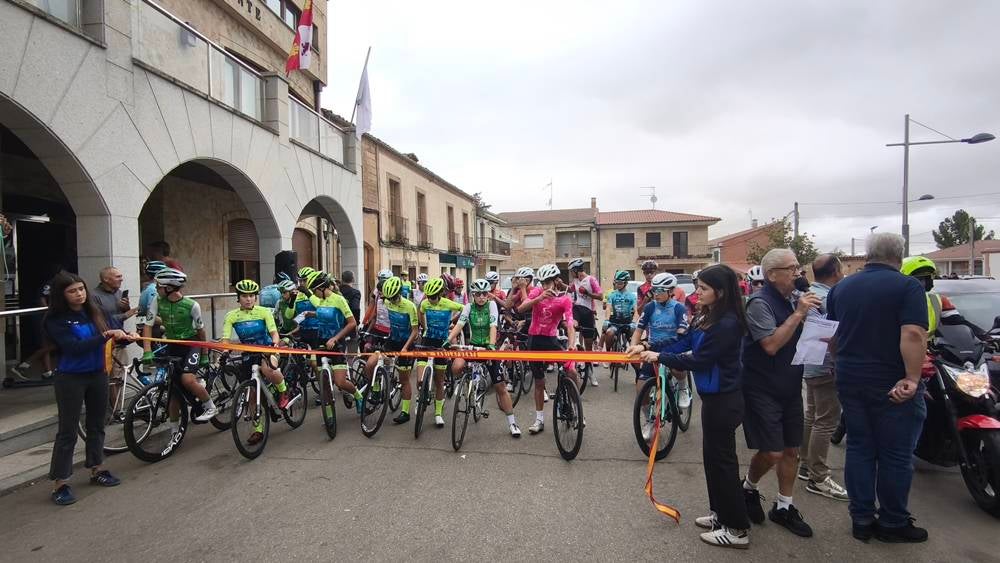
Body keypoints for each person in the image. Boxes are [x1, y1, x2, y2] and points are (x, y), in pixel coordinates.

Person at [631, 265, 750, 548]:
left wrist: (659, 355)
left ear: (720, 292)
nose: (698, 292)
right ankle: (720, 514)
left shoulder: (728, 323)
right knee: (712, 460)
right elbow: (683, 340)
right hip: (712, 398)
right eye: (699, 287)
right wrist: (646, 345)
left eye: (704, 289)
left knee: (723, 463)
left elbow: (699, 360)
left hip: (725, 399)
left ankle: (737, 529)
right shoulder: (707, 316)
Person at [826, 233, 929, 543]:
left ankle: (861, 519)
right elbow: (912, 333)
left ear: (868, 255)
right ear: (900, 256)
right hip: (891, 381)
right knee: (895, 454)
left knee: (859, 447)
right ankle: (893, 522)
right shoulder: (908, 286)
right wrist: (911, 378)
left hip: (850, 378)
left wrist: (840, 363)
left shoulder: (841, 288)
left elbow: (832, 336)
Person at [741, 248, 821, 538]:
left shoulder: (794, 300)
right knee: (772, 451)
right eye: (792, 268)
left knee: (791, 449)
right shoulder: (759, 304)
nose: (798, 273)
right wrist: (799, 314)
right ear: (772, 274)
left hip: (789, 384)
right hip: (762, 386)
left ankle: (784, 506)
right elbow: (771, 345)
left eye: (799, 267)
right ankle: (748, 487)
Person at [45, 271, 135, 505]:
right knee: (68, 431)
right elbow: (74, 348)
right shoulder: (55, 320)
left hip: (98, 374)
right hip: (70, 377)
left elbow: (115, 335)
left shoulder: (94, 312)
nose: (79, 294)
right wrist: (106, 335)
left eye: (81, 289)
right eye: (72, 291)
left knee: (97, 424)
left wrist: (127, 337)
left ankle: (97, 468)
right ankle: (60, 482)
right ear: (61, 295)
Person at [141, 268, 217, 448]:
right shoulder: (157, 301)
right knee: (173, 391)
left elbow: (201, 331)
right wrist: (146, 351)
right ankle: (174, 430)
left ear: (169, 287)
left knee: (187, 379)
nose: (156, 288)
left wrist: (205, 354)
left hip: (192, 345)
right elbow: (148, 326)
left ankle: (210, 405)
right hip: (172, 345)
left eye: (159, 285)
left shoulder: (192, 305)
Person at [799, 254, 849, 501]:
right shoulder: (832, 297)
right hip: (826, 365)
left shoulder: (809, 294)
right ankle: (818, 476)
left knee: (813, 414)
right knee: (826, 420)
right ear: (836, 270)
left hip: (810, 362)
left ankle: (805, 464)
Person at [446, 279, 522, 437]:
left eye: (485, 294)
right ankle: (464, 384)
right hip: (473, 346)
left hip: (488, 347)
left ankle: (512, 422)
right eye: (478, 294)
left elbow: (493, 325)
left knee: (500, 386)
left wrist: (492, 345)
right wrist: (448, 339)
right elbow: (460, 324)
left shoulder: (492, 305)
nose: (482, 297)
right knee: (456, 366)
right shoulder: (468, 307)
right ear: (473, 295)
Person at [223, 279, 292, 444]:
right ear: (238, 298)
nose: (248, 299)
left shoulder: (264, 312)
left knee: (268, 370)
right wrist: (225, 351)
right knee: (252, 394)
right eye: (244, 296)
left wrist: (275, 343)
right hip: (249, 353)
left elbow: (274, 332)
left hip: (267, 349)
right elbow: (225, 338)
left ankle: (284, 391)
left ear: (256, 297)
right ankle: (258, 429)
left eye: (252, 296)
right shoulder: (231, 316)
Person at [518, 264, 579, 434]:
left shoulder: (564, 299)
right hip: (534, 340)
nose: (545, 286)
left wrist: (572, 344)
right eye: (542, 282)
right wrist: (539, 298)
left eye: (548, 282)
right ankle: (539, 420)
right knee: (539, 382)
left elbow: (569, 324)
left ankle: (577, 409)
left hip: (551, 340)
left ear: (555, 281)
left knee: (571, 372)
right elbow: (521, 308)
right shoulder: (537, 292)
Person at [628, 272, 690, 437]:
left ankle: (683, 387)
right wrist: (633, 348)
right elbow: (638, 330)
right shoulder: (650, 307)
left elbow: (682, 334)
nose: (656, 293)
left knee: (677, 368)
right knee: (641, 388)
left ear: (671, 291)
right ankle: (649, 420)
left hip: (673, 346)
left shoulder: (679, 308)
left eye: (661, 290)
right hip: (652, 349)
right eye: (654, 290)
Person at [304, 271, 363, 413]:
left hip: (337, 342)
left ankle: (358, 395)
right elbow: (323, 314)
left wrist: (335, 338)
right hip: (321, 341)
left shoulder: (339, 300)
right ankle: (329, 414)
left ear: (321, 288)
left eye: (314, 290)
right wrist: (311, 314)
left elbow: (352, 323)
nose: (313, 293)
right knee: (324, 383)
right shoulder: (321, 301)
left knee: (340, 382)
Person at [367, 277, 418, 425]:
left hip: (406, 343)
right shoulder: (386, 300)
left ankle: (405, 412)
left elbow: (415, 331)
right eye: (389, 298)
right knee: (371, 364)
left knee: (404, 379)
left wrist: (405, 348)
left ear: (399, 293)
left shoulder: (410, 306)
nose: (392, 300)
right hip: (392, 340)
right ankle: (376, 390)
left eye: (394, 297)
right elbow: (376, 294)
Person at [417, 277, 465, 427]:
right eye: (428, 296)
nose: (430, 299)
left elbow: (464, 309)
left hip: (442, 342)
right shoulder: (424, 303)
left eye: (433, 297)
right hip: (427, 340)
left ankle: (438, 413)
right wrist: (424, 328)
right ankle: (421, 397)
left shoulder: (447, 303)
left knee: (439, 381)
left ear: (440, 294)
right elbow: (420, 313)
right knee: (420, 379)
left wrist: (453, 323)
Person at [91, 267, 139, 399]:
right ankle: (114, 411)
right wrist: (126, 314)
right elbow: (100, 322)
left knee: (119, 377)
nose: (121, 279)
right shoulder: (94, 296)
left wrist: (125, 308)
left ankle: (117, 409)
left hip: (121, 341)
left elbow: (120, 314)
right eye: (118, 276)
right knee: (110, 378)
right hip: (105, 343)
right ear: (106, 279)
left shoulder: (119, 293)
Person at [567, 258, 603, 383]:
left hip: (588, 312)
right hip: (577, 309)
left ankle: (590, 371)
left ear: (577, 270)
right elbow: (570, 290)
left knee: (588, 345)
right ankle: (576, 341)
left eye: (572, 271)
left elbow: (600, 296)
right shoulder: (575, 281)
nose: (571, 273)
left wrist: (587, 293)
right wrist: (561, 286)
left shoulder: (591, 280)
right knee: (573, 324)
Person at [600, 270, 637, 355]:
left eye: (620, 283)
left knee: (635, 340)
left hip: (628, 323)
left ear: (626, 283)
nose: (617, 285)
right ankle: (608, 353)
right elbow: (608, 308)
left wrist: (634, 322)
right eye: (616, 282)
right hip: (614, 322)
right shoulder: (612, 294)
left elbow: (636, 311)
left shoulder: (631, 296)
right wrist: (606, 320)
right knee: (609, 333)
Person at [136, 260, 167, 335]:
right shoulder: (154, 289)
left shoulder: (147, 287)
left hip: (143, 327)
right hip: (152, 330)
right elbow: (151, 314)